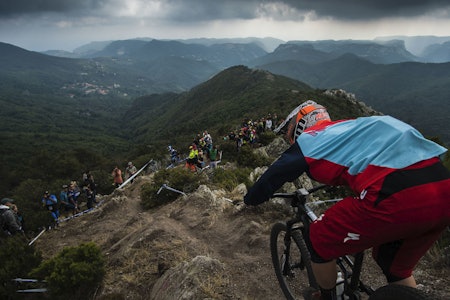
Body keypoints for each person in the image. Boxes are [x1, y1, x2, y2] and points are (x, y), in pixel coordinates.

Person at [244, 100, 450, 300]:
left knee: (317, 238)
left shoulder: (311, 138)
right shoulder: (353, 127)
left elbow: (274, 175)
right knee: (394, 266)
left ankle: (326, 296)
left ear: (299, 126)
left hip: (394, 195)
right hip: (442, 189)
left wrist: (250, 200)